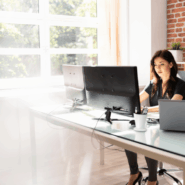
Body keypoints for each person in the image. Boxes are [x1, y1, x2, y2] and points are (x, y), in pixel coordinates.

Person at [125, 49, 185, 185]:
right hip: (154, 124)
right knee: (128, 137)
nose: (157, 68)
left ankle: (152, 181)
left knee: (149, 139)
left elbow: (171, 105)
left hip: (173, 126)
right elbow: (137, 99)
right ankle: (134, 173)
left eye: (161, 64)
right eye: (155, 65)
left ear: (171, 64)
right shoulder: (153, 84)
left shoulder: (180, 85)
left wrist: (145, 109)